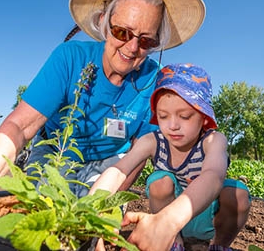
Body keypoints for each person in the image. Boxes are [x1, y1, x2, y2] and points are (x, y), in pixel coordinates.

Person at [0, 0, 206, 250]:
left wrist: (106, 205)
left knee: (90, 228)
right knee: (45, 216)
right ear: (104, 22)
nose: (132, 48)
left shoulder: (153, 81)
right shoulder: (70, 58)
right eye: (122, 32)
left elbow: (138, 155)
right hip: (57, 152)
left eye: (146, 41)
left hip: (110, 164)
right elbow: (19, 125)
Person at [89, 63, 251, 251]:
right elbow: (119, 170)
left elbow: (213, 176)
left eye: (184, 116)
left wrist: (168, 221)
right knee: (159, 181)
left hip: (206, 215)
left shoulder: (213, 140)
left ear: (204, 117)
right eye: (164, 116)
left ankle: (219, 245)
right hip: (167, 218)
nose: (172, 125)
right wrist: (91, 209)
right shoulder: (152, 141)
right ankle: (175, 243)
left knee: (237, 193)